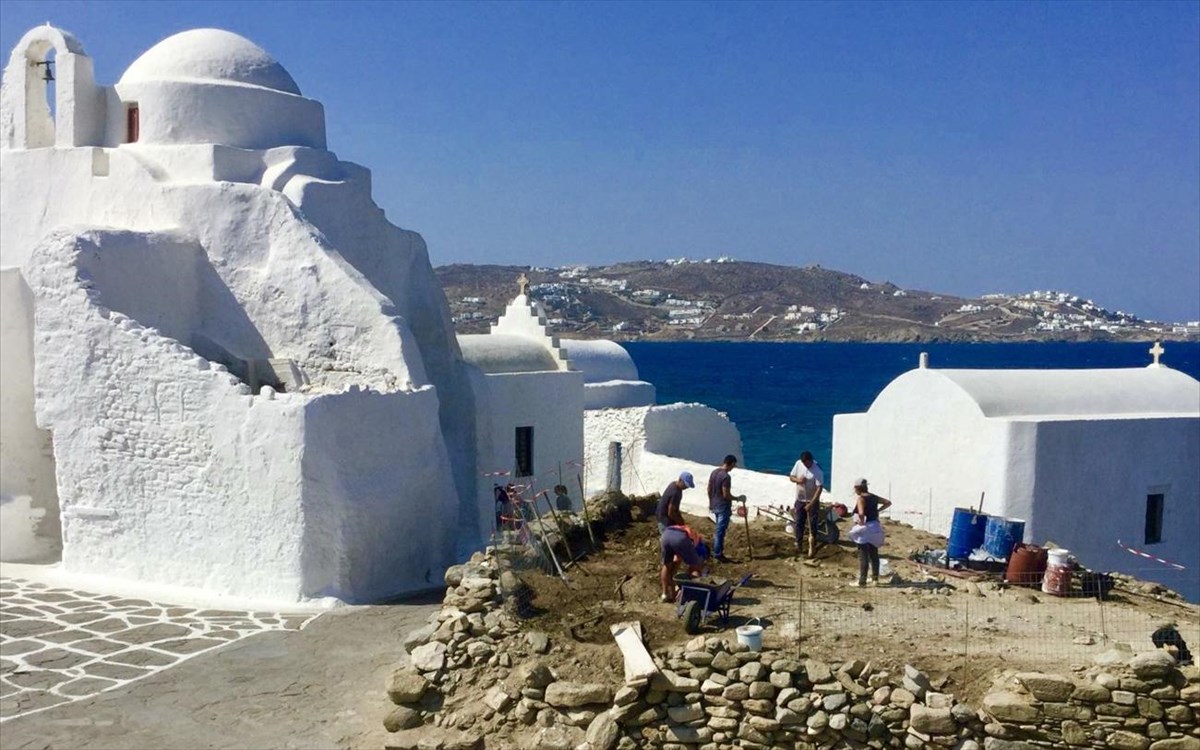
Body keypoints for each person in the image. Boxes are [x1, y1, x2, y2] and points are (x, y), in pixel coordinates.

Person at [848, 478, 892, 587]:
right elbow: (888, 502)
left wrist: (861, 522)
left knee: (863, 555)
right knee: (874, 553)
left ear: (857, 488)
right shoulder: (874, 497)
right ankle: (875, 579)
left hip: (865, 527)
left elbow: (861, 513)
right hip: (875, 527)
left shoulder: (861, 499)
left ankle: (862, 581)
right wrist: (878, 510)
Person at [789, 451, 824, 558]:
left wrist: (811, 504)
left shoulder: (817, 470)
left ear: (811, 460)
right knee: (799, 521)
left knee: (813, 523)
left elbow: (819, 488)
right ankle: (798, 543)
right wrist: (798, 480)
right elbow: (791, 477)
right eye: (804, 463)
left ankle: (813, 544)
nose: (806, 465)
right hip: (800, 499)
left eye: (807, 463)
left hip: (812, 500)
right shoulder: (798, 463)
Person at [660, 525, 706, 602]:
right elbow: (695, 566)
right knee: (695, 568)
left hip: (666, 535)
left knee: (667, 565)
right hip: (681, 538)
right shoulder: (701, 548)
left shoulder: (691, 535)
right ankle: (693, 596)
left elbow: (676, 562)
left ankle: (665, 594)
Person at [707, 455, 739, 563]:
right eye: (733, 465)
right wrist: (736, 498)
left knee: (718, 529)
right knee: (720, 531)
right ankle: (718, 554)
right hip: (723, 506)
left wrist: (711, 501)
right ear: (731, 464)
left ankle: (717, 551)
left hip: (714, 504)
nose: (733, 468)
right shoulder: (726, 477)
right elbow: (726, 494)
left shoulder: (714, 472)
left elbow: (709, 488)